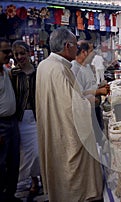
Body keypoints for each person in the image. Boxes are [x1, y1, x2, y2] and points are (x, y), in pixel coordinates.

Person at [35, 27, 103, 201]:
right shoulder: (58, 69)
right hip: (65, 136)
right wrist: (91, 102)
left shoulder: (45, 65)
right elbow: (73, 109)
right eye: (74, 45)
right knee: (72, 186)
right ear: (67, 46)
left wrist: (87, 96)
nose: (77, 49)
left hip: (54, 131)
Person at [10, 40, 40, 196]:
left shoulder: (38, 72)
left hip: (36, 118)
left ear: (29, 53)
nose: (20, 57)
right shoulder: (13, 74)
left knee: (36, 152)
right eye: (17, 54)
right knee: (24, 153)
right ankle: (33, 180)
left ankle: (41, 178)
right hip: (20, 119)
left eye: (22, 53)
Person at [71, 40, 109, 139]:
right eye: (92, 50)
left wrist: (100, 86)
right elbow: (79, 92)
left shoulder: (87, 66)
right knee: (93, 140)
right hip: (86, 112)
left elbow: (89, 86)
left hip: (95, 108)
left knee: (99, 137)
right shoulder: (74, 68)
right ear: (84, 52)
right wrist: (99, 91)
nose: (94, 54)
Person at [0, 38, 21, 202]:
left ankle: (10, 195)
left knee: (14, 162)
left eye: (9, 51)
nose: (9, 55)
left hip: (12, 122)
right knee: (2, 165)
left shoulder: (5, 71)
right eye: (5, 52)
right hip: (2, 126)